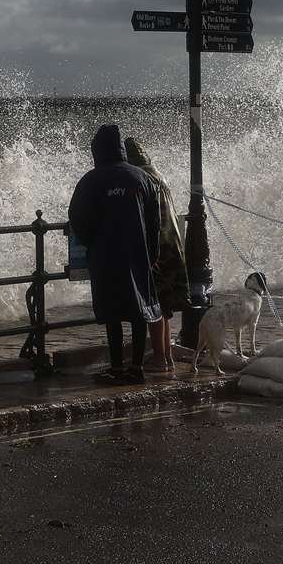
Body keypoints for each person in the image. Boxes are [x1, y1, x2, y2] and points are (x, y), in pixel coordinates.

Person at [68, 123, 161, 384]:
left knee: (112, 313)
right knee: (139, 310)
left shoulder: (91, 180)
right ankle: (137, 367)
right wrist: (152, 253)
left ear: (97, 150)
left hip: (105, 256)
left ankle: (117, 367)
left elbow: (77, 218)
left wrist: (91, 243)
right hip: (138, 254)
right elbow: (156, 222)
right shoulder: (142, 178)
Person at [123, 136, 188, 372]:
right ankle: (167, 356)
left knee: (154, 304)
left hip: (158, 248)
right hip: (173, 244)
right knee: (164, 306)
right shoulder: (159, 175)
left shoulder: (141, 178)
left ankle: (159, 359)